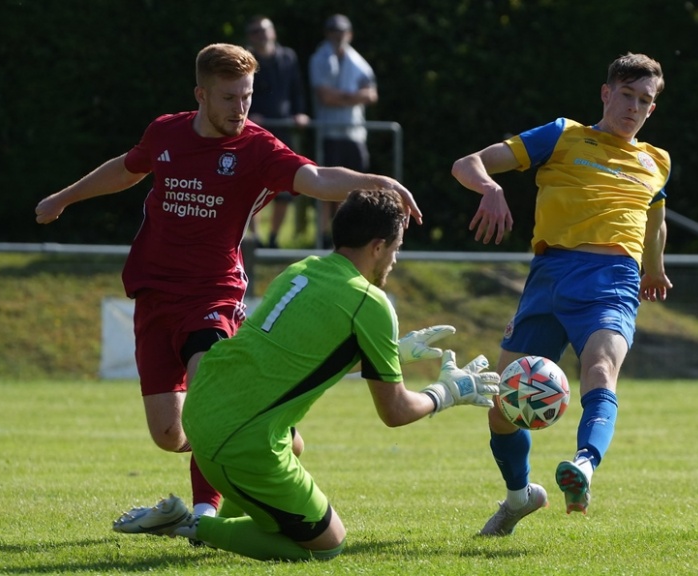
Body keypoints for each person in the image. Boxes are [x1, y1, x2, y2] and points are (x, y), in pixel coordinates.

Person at [35, 43, 421, 528]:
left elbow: (319, 177)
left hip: (212, 296)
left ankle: (202, 514)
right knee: (169, 434)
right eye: (229, 98)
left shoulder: (258, 149)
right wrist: (65, 198)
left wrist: (378, 182)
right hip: (153, 295)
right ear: (201, 94)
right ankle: (271, 432)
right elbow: (126, 170)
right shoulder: (166, 132)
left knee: (208, 401)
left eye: (247, 97)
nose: (241, 108)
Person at [111, 188, 500, 561]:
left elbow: (304, 357)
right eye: (395, 250)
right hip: (236, 441)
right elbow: (394, 411)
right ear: (378, 247)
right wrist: (448, 392)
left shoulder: (303, 269)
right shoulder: (370, 301)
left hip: (201, 411)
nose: (395, 261)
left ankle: (228, 518)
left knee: (293, 445)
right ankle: (190, 525)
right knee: (328, 544)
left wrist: (391, 355)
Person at [450, 53, 673, 534]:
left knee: (599, 368)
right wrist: (489, 189)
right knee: (504, 406)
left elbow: (655, 220)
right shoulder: (562, 134)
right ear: (606, 93)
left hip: (613, 279)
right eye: (627, 95)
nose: (634, 107)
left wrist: (653, 269)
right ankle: (519, 497)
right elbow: (467, 163)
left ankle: (584, 466)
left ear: (652, 109)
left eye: (645, 101)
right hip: (549, 277)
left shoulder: (657, 161)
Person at [308, 13, 378, 248]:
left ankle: (346, 237)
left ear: (349, 33)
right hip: (329, 134)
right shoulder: (319, 59)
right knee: (326, 189)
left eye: (342, 31)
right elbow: (325, 97)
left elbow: (371, 94)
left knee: (354, 190)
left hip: (354, 135)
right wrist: (353, 97)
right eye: (333, 31)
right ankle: (323, 237)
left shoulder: (358, 62)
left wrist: (343, 97)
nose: (338, 36)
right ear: (328, 33)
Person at [244, 14, 311, 249]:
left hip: (284, 128)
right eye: (255, 32)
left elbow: (297, 90)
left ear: (273, 32)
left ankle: (273, 238)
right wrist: (247, 116)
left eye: (263, 30)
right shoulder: (246, 59)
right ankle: (254, 238)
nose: (260, 35)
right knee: (251, 184)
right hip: (254, 130)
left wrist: (300, 113)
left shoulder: (288, 57)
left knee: (285, 185)